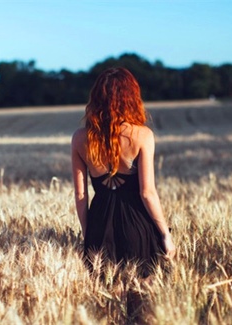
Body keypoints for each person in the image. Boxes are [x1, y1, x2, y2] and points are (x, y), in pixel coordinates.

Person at [71, 67, 176, 278]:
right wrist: (165, 234)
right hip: (137, 224)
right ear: (131, 97)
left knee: (106, 298)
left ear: (96, 98)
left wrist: (88, 234)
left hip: (99, 224)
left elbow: (81, 196)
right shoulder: (142, 135)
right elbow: (147, 193)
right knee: (142, 295)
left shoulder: (80, 138)